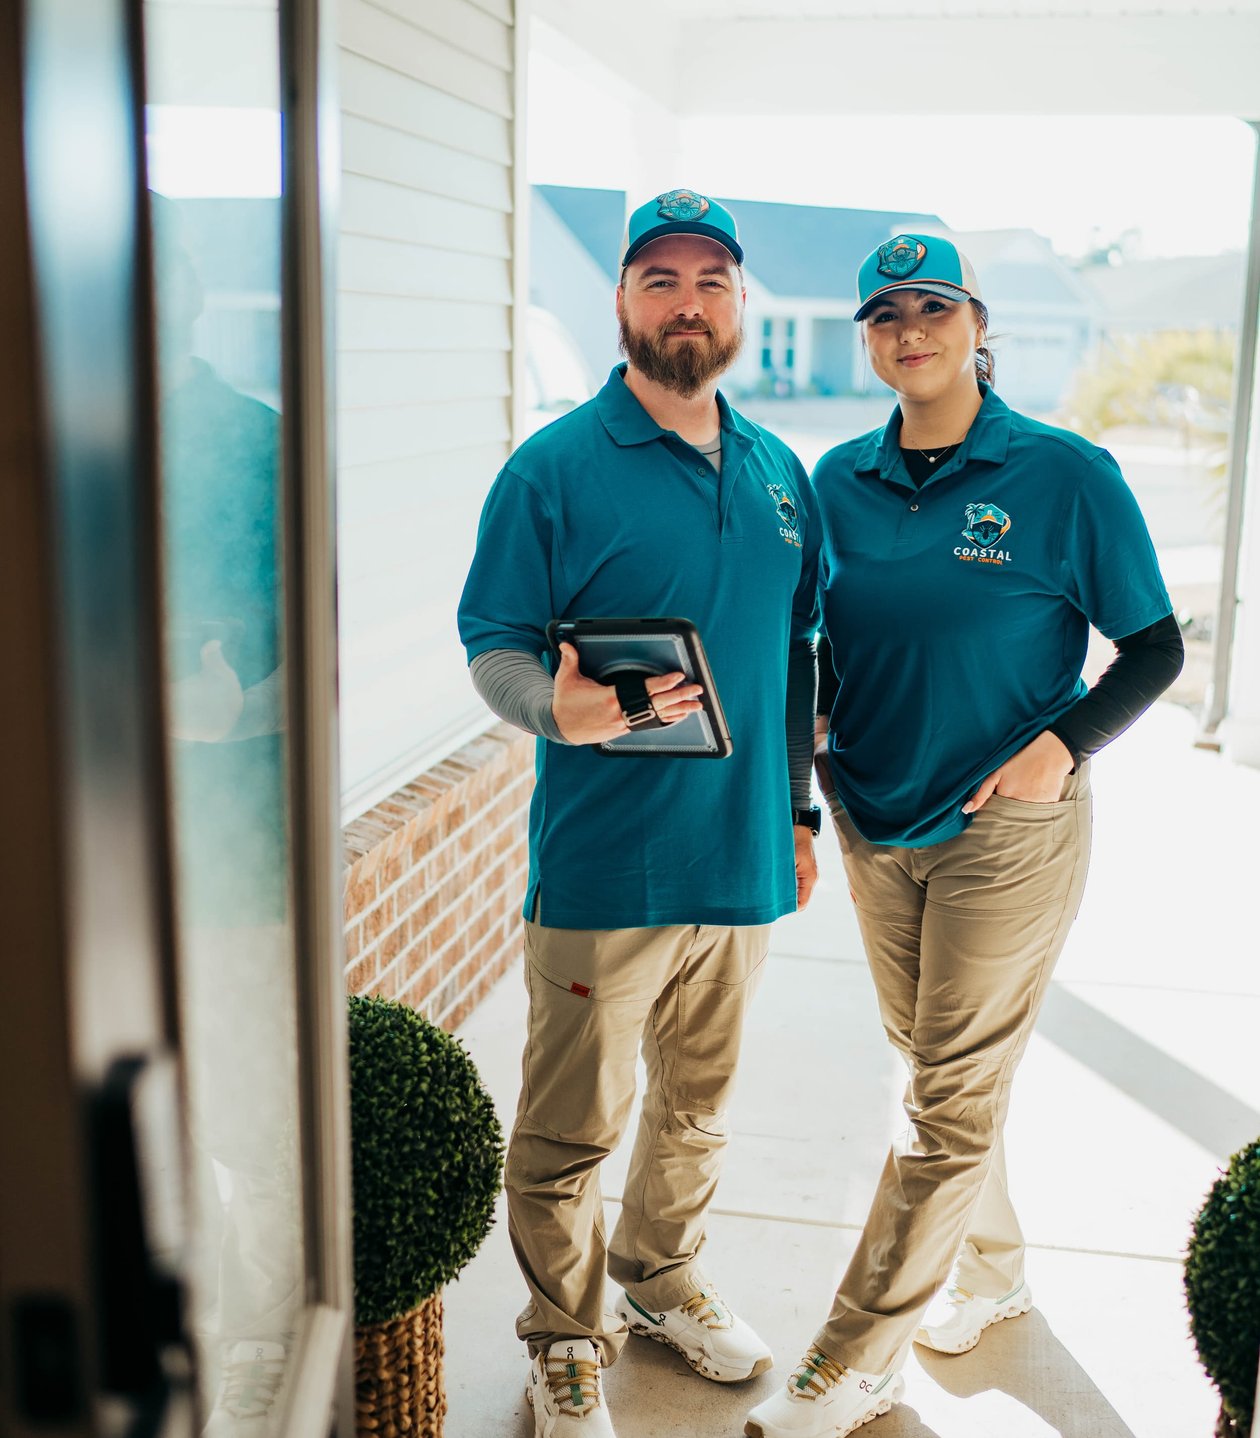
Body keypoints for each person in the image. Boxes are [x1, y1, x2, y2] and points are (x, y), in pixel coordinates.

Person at [746, 233, 1183, 1438]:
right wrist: (796, 797)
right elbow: (807, 654)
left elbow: (1154, 646)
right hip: (874, 818)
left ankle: (855, 1355)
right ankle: (993, 1277)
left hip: (1008, 828)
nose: (908, 330)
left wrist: (1061, 747)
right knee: (946, 1077)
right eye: (885, 313)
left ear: (977, 323)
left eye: (932, 305)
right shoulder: (836, 480)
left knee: (944, 1098)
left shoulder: (1064, 474)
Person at [458, 189, 822, 1437]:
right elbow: (495, 641)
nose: (686, 302)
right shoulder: (552, 468)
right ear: (621, 300)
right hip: (605, 870)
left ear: (736, 304)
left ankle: (659, 1280)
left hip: (740, 861)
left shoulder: (782, 473)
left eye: (709, 281)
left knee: (697, 1107)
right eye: (659, 279)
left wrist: (802, 813)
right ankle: (565, 1337)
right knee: (571, 1130)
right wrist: (561, 714)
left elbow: (798, 649)